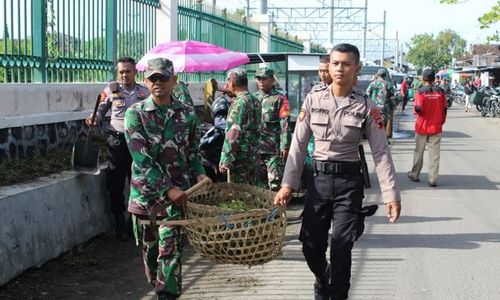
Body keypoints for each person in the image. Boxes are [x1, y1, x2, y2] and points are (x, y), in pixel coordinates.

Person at [273, 43, 401, 300]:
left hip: (348, 183)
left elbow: (381, 152)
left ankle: (337, 295)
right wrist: (288, 184)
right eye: (335, 63)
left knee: (342, 246)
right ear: (329, 67)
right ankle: (323, 275)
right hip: (318, 182)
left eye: (346, 64)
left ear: (357, 69)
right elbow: (297, 144)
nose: (340, 68)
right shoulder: (313, 100)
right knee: (310, 245)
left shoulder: (367, 106)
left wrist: (391, 194)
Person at [124, 58, 210, 300]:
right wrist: (167, 188)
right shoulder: (135, 114)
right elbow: (142, 159)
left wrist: (200, 173)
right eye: (153, 78)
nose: (158, 83)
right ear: (146, 81)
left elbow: (193, 151)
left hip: (176, 200)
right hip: (145, 199)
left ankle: (166, 295)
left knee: (170, 255)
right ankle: (161, 287)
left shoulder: (188, 114)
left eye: (163, 78)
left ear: (174, 80)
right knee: (152, 260)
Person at [85, 56, 150, 241]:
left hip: (138, 143)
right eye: (121, 72)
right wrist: (93, 119)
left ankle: (134, 223)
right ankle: (119, 223)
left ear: (135, 72)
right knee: (116, 183)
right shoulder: (111, 91)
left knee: (137, 183)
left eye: (128, 71)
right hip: (117, 142)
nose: (124, 75)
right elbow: (99, 111)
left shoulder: (144, 92)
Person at [218, 68, 261, 184]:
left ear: (232, 83)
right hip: (253, 156)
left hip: (240, 160)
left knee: (239, 195)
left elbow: (233, 134)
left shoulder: (239, 103)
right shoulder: (255, 100)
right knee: (252, 191)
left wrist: (226, 159)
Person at [253, 66, 292, 191]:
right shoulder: (253, 98)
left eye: (264, 79)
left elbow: (284, 123)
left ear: (272, 80)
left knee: (274, 183)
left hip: (273, 150)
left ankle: (277, 210)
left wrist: (285, 145)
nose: (261, 82)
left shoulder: (280, 99)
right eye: (258, 79)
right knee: (258, 185)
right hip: (256, 149)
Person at [408, 68, 447, 188]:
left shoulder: (420, 92)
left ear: (423, 79)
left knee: (419, 152)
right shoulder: (441, 92)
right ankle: (433, 179)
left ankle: (415, 174)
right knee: (434, 155)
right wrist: (441, 122)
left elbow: (418, 109)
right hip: (436, 127)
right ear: (434, 79)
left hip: (422, 127)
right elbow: (444, 110)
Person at [366, 68, 396, 140]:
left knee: (375, 124)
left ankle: (375, 139)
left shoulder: (372, 84)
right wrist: (392, 109)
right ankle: (383, 140)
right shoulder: (388, 85)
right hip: (385, 108)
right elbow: (392, 99)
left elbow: (367, 96)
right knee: (383, 124)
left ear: (378, 75)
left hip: (374, 108)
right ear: (385, 75)